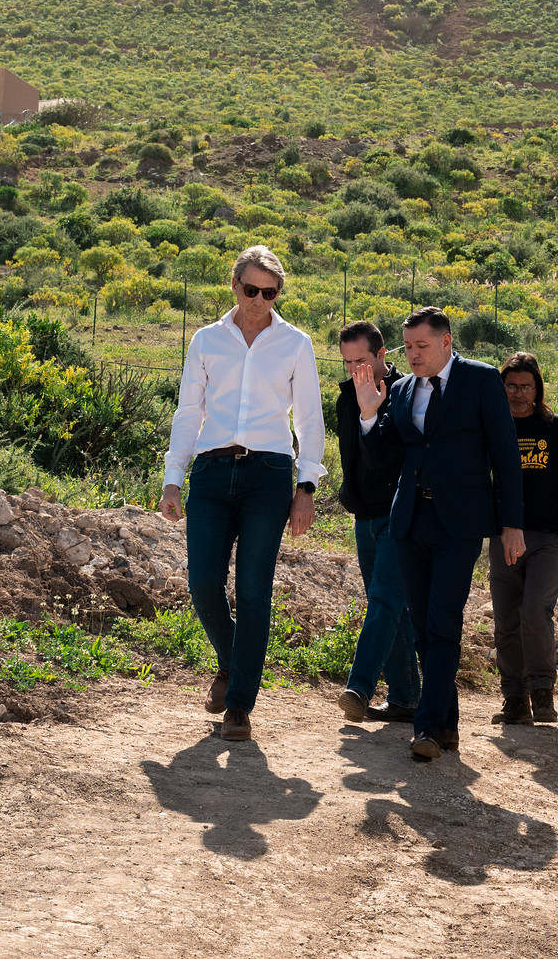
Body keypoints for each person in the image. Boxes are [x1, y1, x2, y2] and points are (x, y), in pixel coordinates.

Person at [160, 245, 326, 743]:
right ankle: (233, 662)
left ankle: (239, 706)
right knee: (202, 584)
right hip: (211, 472)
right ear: (235, 286)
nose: (259, 300)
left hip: (269, 475)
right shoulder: (206, 340)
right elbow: (189, 412)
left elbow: (309, 419)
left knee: (255, 590)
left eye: (270, 293)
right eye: (252, 290)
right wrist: (173, 478)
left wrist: (306, 486)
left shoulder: (295, 343)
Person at [352, 307, 525, 762]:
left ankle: (427, 726)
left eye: (422, 346)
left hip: (460, 522)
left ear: (446, 342)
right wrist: (369, 414)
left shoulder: (480, 379)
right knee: (423, 629)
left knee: (442, 621)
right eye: (408, 346)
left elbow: (506, 454)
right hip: (410, 519)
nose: (413, 355)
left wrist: (512, 523)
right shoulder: (402, 389)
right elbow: (382, 455)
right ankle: (446, 723)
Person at [489, 351, 558, 726]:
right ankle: (514, 698)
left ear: (537, 389)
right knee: (506, 617)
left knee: (534, 609)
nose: (518, 393)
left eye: (525, 387)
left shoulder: (555, 427)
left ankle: (542, 691)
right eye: (511, 386)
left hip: (548, 536)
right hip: (503, 536)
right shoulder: (492, 426)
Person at [332, 320, 419, 723]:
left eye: (361, 361)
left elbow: (393, 457)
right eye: (347, 362)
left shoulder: (406, 394)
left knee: (385, 601)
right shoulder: (345, 398)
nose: (354, 370)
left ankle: (359, 687)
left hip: (399, 516)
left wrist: (374, 409)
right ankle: (405, 699)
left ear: (382, 354)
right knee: (389, 607)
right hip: (363, 517)